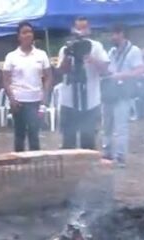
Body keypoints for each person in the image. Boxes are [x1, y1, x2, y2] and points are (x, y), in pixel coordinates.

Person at [56, 17, 109, 151]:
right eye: (78, 28)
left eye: (84, 27)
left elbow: (105, 70)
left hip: (90, 100)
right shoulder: (66, 48)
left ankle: (89, 170)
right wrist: (69, 55)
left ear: (89, 29)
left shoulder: (96, 46)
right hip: (69, 101)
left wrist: (92, 59)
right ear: (73, 29)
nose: (81, 31)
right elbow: (61, 71)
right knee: (68, 142)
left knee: (89, 141)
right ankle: (69, 170)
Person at [3, 21, 52, 153]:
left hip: (36, 101)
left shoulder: (41, 55)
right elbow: (6, 80)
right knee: (19, 135)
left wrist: (44, 98)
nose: (28, 35)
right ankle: (20, 167)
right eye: (24, 32)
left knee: (34, 135)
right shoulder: (11, 56)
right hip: (18, 101)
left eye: (30, 32)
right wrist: (12, 98)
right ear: (19, 36)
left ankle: (35, 167)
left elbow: (48, 77)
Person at [102, 23, 144, 167]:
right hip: (110, 91)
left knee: (121, 127)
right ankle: (106, 153)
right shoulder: (111, 52)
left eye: (114, 34)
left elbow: (140, 70)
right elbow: (107, 69)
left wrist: (123, 75)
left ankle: (120, 157)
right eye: (111, 34)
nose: (112, 37)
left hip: (124, 91)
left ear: (122, 34)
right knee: (106, 125)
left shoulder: (134, 51)